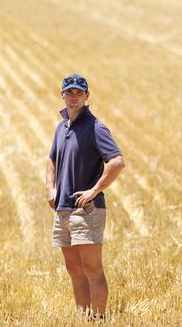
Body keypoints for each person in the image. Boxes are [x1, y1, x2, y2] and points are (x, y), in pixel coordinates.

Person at [46, 74, 126, 319]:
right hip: (63, 209)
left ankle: (99, 320)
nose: (74, 97)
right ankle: (84, 318)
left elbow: (117, 162)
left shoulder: (95, 127)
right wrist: (50, 188)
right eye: (69, 92)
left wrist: (94, 190)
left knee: (92, 269)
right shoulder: (62, 127)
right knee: (74, 269)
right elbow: (51, 159)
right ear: (62, 95)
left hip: (87, 210)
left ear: (87, 96)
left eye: (79, 93)